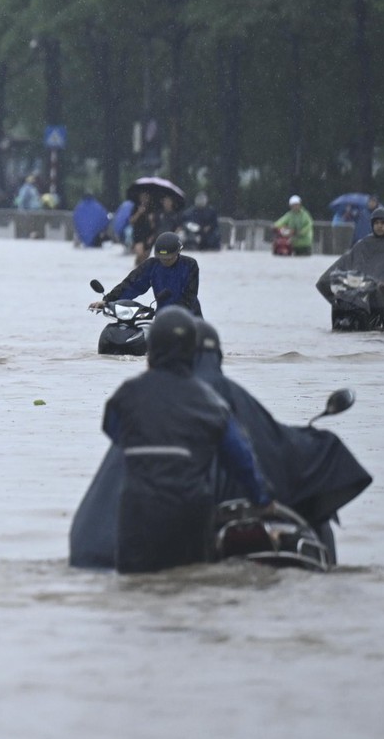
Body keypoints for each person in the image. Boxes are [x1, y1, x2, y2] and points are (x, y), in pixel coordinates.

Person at [99, 307, 272, 574]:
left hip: (137, 511)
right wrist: (262, 499)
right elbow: (241, 459)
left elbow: (113, 429)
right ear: (192, 351)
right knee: (189, 582)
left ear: (151, 348)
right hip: (189, 513)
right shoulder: (210, 402)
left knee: (135, 587)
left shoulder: (127, 394)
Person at [316, 204, 384, 329]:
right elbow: (347, 261)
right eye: (376, 223)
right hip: (366, 287)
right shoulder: (364, 244)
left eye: (383, 223)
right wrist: (330, 278)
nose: (379, 226)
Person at [93, 230, 202, 316]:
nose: (165, 261)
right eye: (162, 258)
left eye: (169, 258)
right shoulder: (151, 265)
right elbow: (131, 285)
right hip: (162, 319)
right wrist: (108, 301)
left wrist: (174, 312)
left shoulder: (189, 265)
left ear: (178, 252)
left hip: (189, 318)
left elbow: (190, 296)